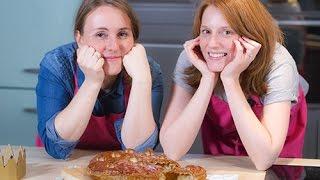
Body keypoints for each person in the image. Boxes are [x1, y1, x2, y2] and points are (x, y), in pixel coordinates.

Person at [160, 0, 308, 170]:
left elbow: (264, 159)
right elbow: (172, 150)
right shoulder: (192, 58)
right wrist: (207, 79)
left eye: (227, 32)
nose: (212, 44)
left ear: (250, 35)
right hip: (224, 165)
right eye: (206, 31)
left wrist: (231, 80)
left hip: (278, 167)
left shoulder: (277, 63)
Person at [36, 0, 163, 159]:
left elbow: (140, 152)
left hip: (119, 170)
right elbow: (55, 147)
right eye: (100, 34)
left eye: (122, 34)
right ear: (80, 38)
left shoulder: (148, 71)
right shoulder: (58, 64)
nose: (114, 46)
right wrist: (92, 82)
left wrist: (142, 80)